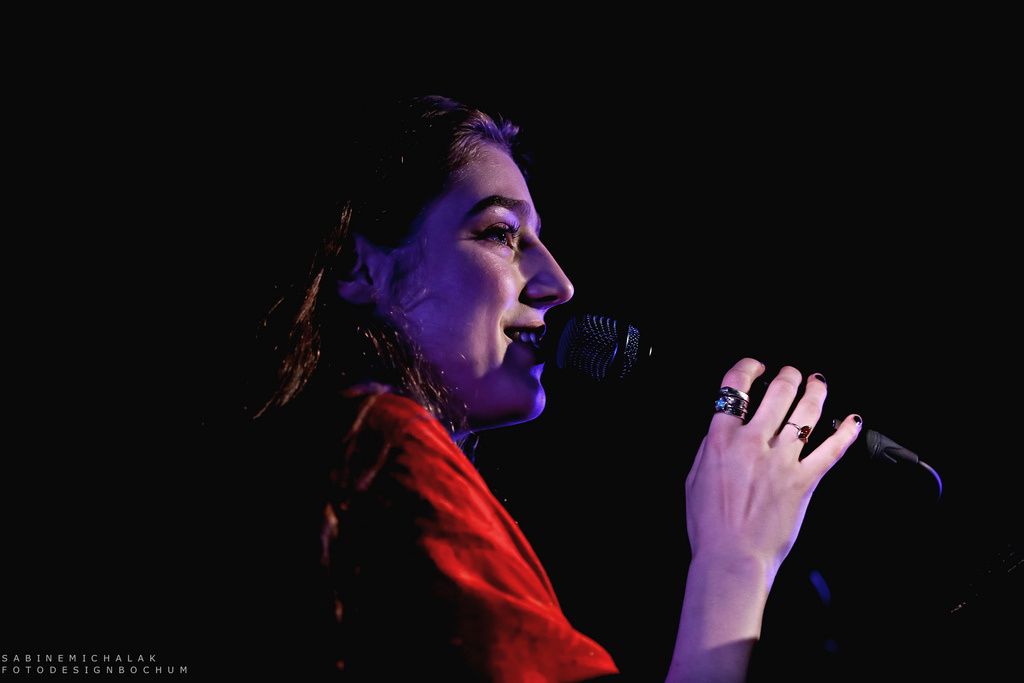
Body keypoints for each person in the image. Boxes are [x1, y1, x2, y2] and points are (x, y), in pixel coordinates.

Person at [252, 95, 863, 682]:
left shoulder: (326, 457)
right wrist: (735, 560)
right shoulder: (381, 445)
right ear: (360, 267)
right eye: (500, 233)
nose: (559, 284)